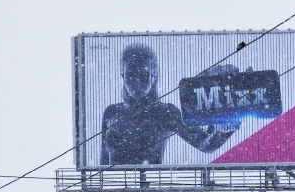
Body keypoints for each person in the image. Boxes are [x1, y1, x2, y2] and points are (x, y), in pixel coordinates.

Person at [100, 43, 238, 166]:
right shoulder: (111, 112)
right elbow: (102, 164)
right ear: (123, 76)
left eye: (143, 75)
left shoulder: (165, 112)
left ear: (154, 76)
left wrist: (222, 128)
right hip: (116, 189)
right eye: (131, 75)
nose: (136, 83)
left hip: (149, 187)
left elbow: (204, 144)